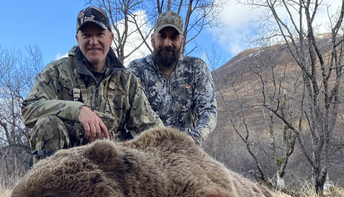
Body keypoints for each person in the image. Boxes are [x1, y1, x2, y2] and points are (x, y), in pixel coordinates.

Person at [22, 6, 163, 164]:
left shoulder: (127, 80)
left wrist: (180, 144)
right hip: (65, 165)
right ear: (78, 39)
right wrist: (77, 110)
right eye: (87, 35)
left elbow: (151, 127)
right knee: (47, 126)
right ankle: (47, 188)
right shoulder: (56, 71)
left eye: (99, 34)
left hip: (112, 167)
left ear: (110, 38)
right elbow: (29, 108)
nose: (93, 42)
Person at [129, 11, 217, 145]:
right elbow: (134, 113)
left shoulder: (196, 68)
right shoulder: (137, 69)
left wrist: (193, 139)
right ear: (152, 39)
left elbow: (209, 111)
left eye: (174, 37)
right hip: (146, 150)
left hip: (185, 151)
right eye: (162, 36)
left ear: (182, 41)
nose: (167, 43)